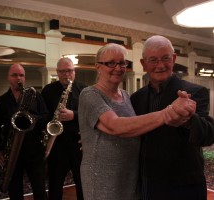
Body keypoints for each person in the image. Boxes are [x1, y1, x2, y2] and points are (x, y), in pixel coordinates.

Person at [78, 43, 196, 200]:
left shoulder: (127, 96)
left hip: (131, 175)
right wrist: (169, 112)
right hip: (102, 177)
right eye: (111, 63)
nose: (118, 68)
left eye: (122, 63)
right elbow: (115, 127)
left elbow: (138, 126)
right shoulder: (90, 94)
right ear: (98, 66)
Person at [130, 35, 214, 200]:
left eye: (165, 58)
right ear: (143, 64)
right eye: (153, 60)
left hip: (183, 188)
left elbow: (209, 135)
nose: (160, 65)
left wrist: (188, 120)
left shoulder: (195, 92)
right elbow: (130, 128)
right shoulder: (136, 98)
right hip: (147, 184)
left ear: (174, 58)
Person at [0, 63, 49, 200]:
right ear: (8, 77)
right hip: (12, 152)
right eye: (14, 75)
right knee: (15, 190)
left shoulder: (36, 96)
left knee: (39, 188)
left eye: (21, 75)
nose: (19, 78)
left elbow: (46, 117)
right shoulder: (1, 101)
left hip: (34, 150)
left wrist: (31, 119)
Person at [41, 57, 86, 200]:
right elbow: (42, 114)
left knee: (82, 182)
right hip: (56, 145)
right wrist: (53, 119)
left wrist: (74, 115)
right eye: (62, 71)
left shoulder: (84, 90)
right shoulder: (48, 90)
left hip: (78, 144)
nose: (67, 74)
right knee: (55, 182)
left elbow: (91, 114)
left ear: (75, 71)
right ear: (57, 73)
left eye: (69, 71)